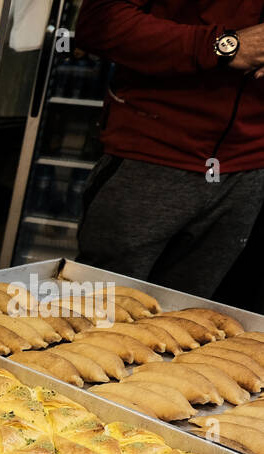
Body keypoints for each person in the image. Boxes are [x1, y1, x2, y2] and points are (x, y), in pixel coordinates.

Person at [74, 0, 264, 297]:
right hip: (153, 155)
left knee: (190, 329)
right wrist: (225, 46)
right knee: (95, 317)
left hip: (249, 171)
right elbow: (98, 24)